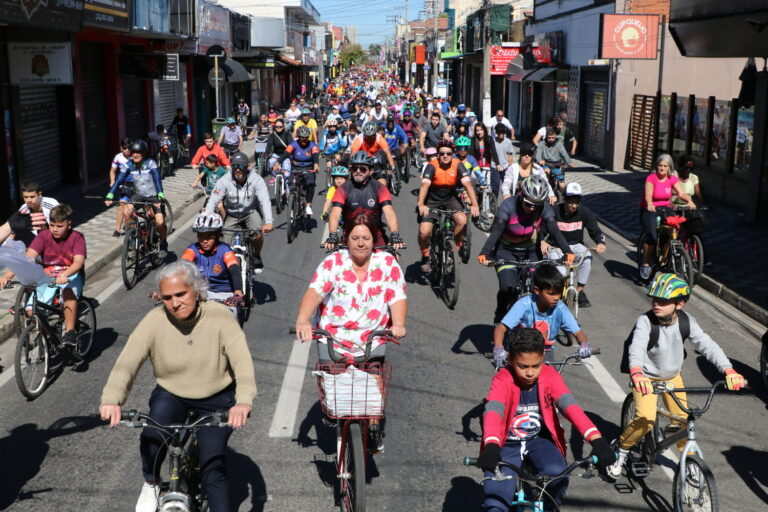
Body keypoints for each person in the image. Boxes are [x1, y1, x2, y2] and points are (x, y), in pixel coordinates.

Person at [99, 261, 257, 512]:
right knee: (152, 437)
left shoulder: (219, 316)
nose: (175, 303)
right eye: (167, 297)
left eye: (181, 294)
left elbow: (242, 362)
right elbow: (127, 362)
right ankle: (151, 483)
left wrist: (243, 401)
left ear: (196, 290)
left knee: (212, 469)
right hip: (172, 392)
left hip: (216, 398)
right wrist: (112, 399)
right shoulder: (154, 319)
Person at [606, 273, 746, 480]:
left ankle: (688, 461)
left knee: (682, 421)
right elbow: (636, 347)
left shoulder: (687, 322)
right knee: (645, 419)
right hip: (646, 378)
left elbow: (707, 345)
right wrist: (636, 371)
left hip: (671, 378)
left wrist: (729, 370)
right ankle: (623, 449)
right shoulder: (645, 321)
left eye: (663, 301)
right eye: (654, 299)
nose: (656, 304)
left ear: (679, 304)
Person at [295, 212, 407, 451]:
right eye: (355, 237)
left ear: (374, 239)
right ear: (346, 239)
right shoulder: (332, 262)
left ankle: (374, 427)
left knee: (374, 385)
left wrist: (398, 323)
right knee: (333, 387)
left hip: (373, 336)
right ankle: (333, 411)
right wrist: (303, 320)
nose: (360, 243)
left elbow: (397, 295)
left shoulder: (387, 263)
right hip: (333, 336)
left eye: (366, 238)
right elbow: (314, 292)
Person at [478, 327, 614, 512]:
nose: (530, 373)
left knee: (557, 474)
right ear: (510, 359)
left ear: (543, 358)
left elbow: (570, 407)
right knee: (496, 502)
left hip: (538, 440)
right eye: (523, 366)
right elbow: (494, 410)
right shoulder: (503, 378)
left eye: (536, 365)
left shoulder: (550, 376)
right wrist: (492, 445)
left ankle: (550, 506)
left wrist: (596, 439)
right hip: (506, 444)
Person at [478, 175, 573, 325]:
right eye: (529, 204)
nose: (532, 208)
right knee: (507, 288)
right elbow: (496, 232)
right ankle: (500, 315)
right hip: (506, 251)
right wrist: (485, 252)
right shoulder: (507, 206)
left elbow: (554, 229)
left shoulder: (544, 208)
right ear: (521, 195)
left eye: (537, 205)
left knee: (540, 288)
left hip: (532, 251)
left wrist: (567, 252)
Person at [6, 204, 86, 351]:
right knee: (31, 311)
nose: (55, 229)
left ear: (69, 224)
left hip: (71, 275)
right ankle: (49, 334)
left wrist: (64, 275)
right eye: (52, 225)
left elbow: (78, 262)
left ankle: (70, 332)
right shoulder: (44, 236)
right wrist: (7, 275)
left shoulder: (77, 237)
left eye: (59, 226)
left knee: (67, 292)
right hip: (48, 277)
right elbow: (28, 258)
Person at [490, 263, 592, 368]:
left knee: (553, 381)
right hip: (520, 351)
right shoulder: (524, 305)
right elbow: (501, 328)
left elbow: (578, 333)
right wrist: (498, 347)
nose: (556, 298)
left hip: (545, 352)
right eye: (551, 294)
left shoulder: (561, 309)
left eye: (559, 293)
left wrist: (584, 344)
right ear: (537, 290)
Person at [540, 183, 606, 308]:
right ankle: (557, 293)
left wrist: (600, 242)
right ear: (565, 199)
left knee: (587, 258)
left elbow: (595, 230)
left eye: (576, 202)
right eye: (571, 201)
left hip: (576, 245)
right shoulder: (554, 211)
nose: (574, 205)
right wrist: (542, 240)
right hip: (556, 247)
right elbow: (541, 229)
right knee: (561, 270)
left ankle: (580, 291)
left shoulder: (585, 212)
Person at [417, 141, 480, 270]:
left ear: (453, 154)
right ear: (438, 155)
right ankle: (425, 255)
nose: (445, 156)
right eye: (442, 153)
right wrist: (421, 204)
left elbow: (468, 185)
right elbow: (424, 185)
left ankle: (454, 248)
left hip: (450, 197)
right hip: (432, 198)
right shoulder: (432, 165)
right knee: (424, 232)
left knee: (462, 220)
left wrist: (475, 204)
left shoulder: (458, 165)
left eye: (448, 153)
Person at [207, 152, 274, 269]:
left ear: (247, 167)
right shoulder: (224, 180)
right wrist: (207, 218)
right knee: (225, 245)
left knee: (257, 235)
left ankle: (257, 255)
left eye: (241, 167)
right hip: (232, 214)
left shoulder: (257, 180)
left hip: (250, 212)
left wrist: (268, 221)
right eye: (234, 166)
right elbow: (213, 200)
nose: (237, 170)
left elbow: (265, 201)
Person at [325, 151, 403, 251]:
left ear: (371, 171)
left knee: (393, 260)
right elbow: (335, 214)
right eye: (354, 168)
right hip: (349, 239)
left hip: (376, 239)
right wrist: (332, 235)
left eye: (362, 169)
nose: (358, 171)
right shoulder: (342, 189)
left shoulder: (380, 188)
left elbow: (389, 212)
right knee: (335, 264)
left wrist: (395, 234)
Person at [105, 140, 169, 259]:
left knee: (160, 222)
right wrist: (110, 194)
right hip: (139, 195)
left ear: (144, 153)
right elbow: (119, 180)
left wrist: (160, 193)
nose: (135, 155)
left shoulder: (151, 163)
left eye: (138, 153)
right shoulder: (128, 165)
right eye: (133, 152)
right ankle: (132, 236)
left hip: (153, 195)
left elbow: (157, 180)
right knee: (126, 211)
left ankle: (164, 243)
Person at [639, 154, 696, 280]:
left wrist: (689, 202)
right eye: (660, 165)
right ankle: (645, 263)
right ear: (656, 166)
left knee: (675, 225)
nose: (662, 168)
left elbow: (681, 193)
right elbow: (648, 194)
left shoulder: (672, 179)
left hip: (665, 208)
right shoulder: (651, 178)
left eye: (665, 166)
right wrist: (649, 204)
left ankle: (666, 251)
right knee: (652, 236)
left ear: (669, 168)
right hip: (650, 208)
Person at [181, 212, 244, 317]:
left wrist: (237, 293)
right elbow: (179, 268)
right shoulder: (192, 249)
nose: (204, 241)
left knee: (230, 317)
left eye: (209, 236)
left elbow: (234, 270)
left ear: (218, 235)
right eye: (200, 236)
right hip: (201, 292)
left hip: (224, 293)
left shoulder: (225, 250)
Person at [274, 126, 320, 216]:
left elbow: (315, 155)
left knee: (310, 184)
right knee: (291, 182)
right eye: (301, 138)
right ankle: (293, 200)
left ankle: (308, 205)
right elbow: (286, 154)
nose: (303, 140)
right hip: (296, 168)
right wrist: (278, 163)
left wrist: (316, 164)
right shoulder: (293, 145)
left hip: (308, 168)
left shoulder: (312, 145)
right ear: (298, 137)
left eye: (306, 138)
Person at [0, 181, 59, 250]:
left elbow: (60, 227)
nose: (29, 200)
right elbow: (13, 230)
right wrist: (7, 249)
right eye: (26, 197)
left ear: (39, 194)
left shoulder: (52, 204)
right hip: (38, 240)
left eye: (32, 197)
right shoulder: (23, 209)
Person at [107, 138, 134, 237]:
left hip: (137, 185)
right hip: (126, 184)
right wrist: (112, 181)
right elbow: (112, 171)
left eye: (129, 148)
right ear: (121, 148)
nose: (128, 151)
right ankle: (117, 230)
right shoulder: (117, 157)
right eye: (125, 148)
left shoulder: (135, 156)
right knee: (121, 206)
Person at [469, 123, 502, 195]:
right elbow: (471, 154)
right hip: (476, 166)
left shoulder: (489, 139)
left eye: (481, 130)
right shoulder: (473, 140)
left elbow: (494, 152)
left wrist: (498, 164)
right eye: (477, 130)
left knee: (491, 185)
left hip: (487, 165)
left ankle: (491, 202)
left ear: (484, 130)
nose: (479, 132)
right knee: (474, 186)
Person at [535, 128, 571, 194]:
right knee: (545, 175)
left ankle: (565, 198)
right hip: (545, 164)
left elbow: (564, 154)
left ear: (555, 136)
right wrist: (540, 160)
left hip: (556, 165)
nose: (551, 139)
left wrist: (569, 162)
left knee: (561, 184)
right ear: (546, 137)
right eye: (549, 138)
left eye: (552, 138)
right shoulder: (541, 143)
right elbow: (538, 154)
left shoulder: (559, 144)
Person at [265, 120, 293, 184]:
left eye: (280, 127)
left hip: (286, 154)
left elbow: (291, 145)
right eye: (277, 127)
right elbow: (269, 144)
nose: (278, 128)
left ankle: (287, 185)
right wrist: (266, 153)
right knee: (271, 162)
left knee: (286, 169)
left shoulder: (287, 134)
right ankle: (274, 176)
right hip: (276, 154)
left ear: (283, 127)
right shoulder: (272, 135)